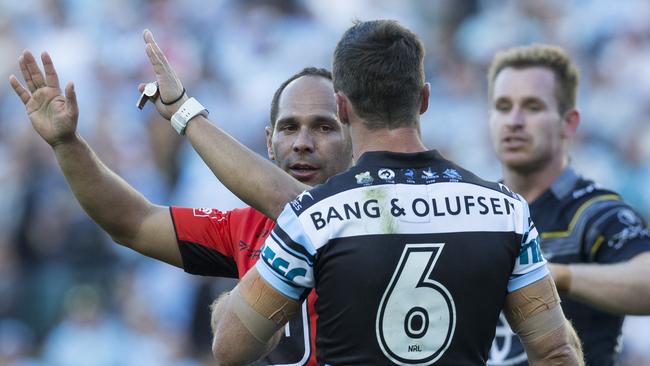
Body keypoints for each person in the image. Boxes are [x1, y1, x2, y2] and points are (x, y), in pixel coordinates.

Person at [190, 20, 583, 365]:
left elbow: (231, 347)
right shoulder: (505, 210)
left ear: (341, 108)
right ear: (424, 98)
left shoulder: (313, 216)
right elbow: (556, 352)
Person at [9, 48, 351, 365]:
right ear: (269, 143)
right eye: (289, 128)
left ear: (354, 139)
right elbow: (133, 222)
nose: (303, 143)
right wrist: (66, 144)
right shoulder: (245, 228)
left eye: (324, 127)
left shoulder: (380, 216)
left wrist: (184, 111)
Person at [486, 44, 650, 366]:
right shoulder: (479, 210)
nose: (514, 121)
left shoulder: (596, 212)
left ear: (569, 122)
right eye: (503, 107)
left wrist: (553, 275)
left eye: (532, 107)